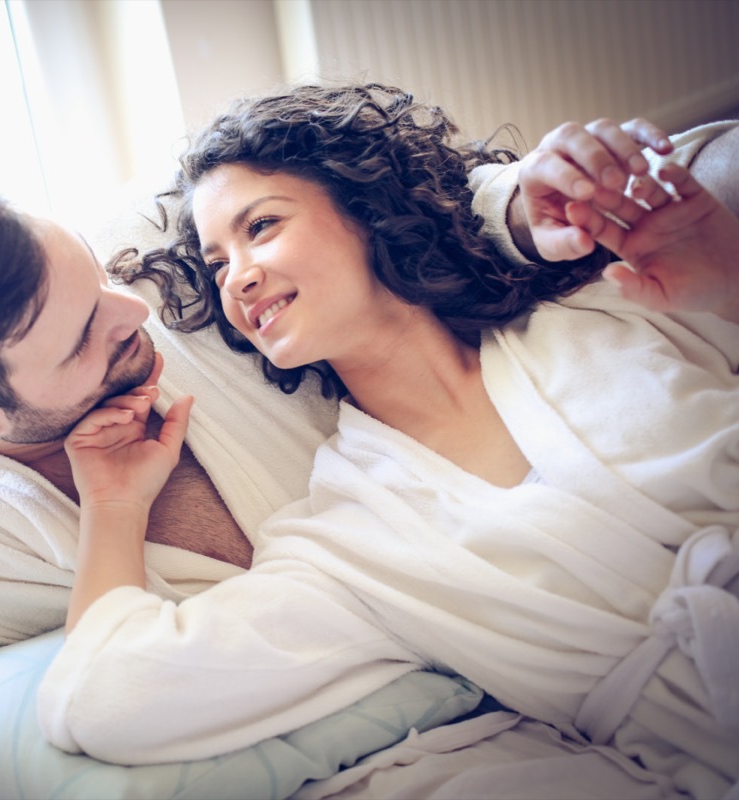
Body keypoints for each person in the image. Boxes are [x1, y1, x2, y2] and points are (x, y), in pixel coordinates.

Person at [0, 92, 696, 800]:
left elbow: (359, 203)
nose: (136, 311)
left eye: (101, 276)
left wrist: (521, 207)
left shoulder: (173, 265)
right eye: (87, 335)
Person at [37, 83, 739, 800]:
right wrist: (114, 503)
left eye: (261, 227)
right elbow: (102, 698)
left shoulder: (605, 314)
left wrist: (731, 276)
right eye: (217, 264)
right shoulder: (346, 541)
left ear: (367, 213)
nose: (239, 276)